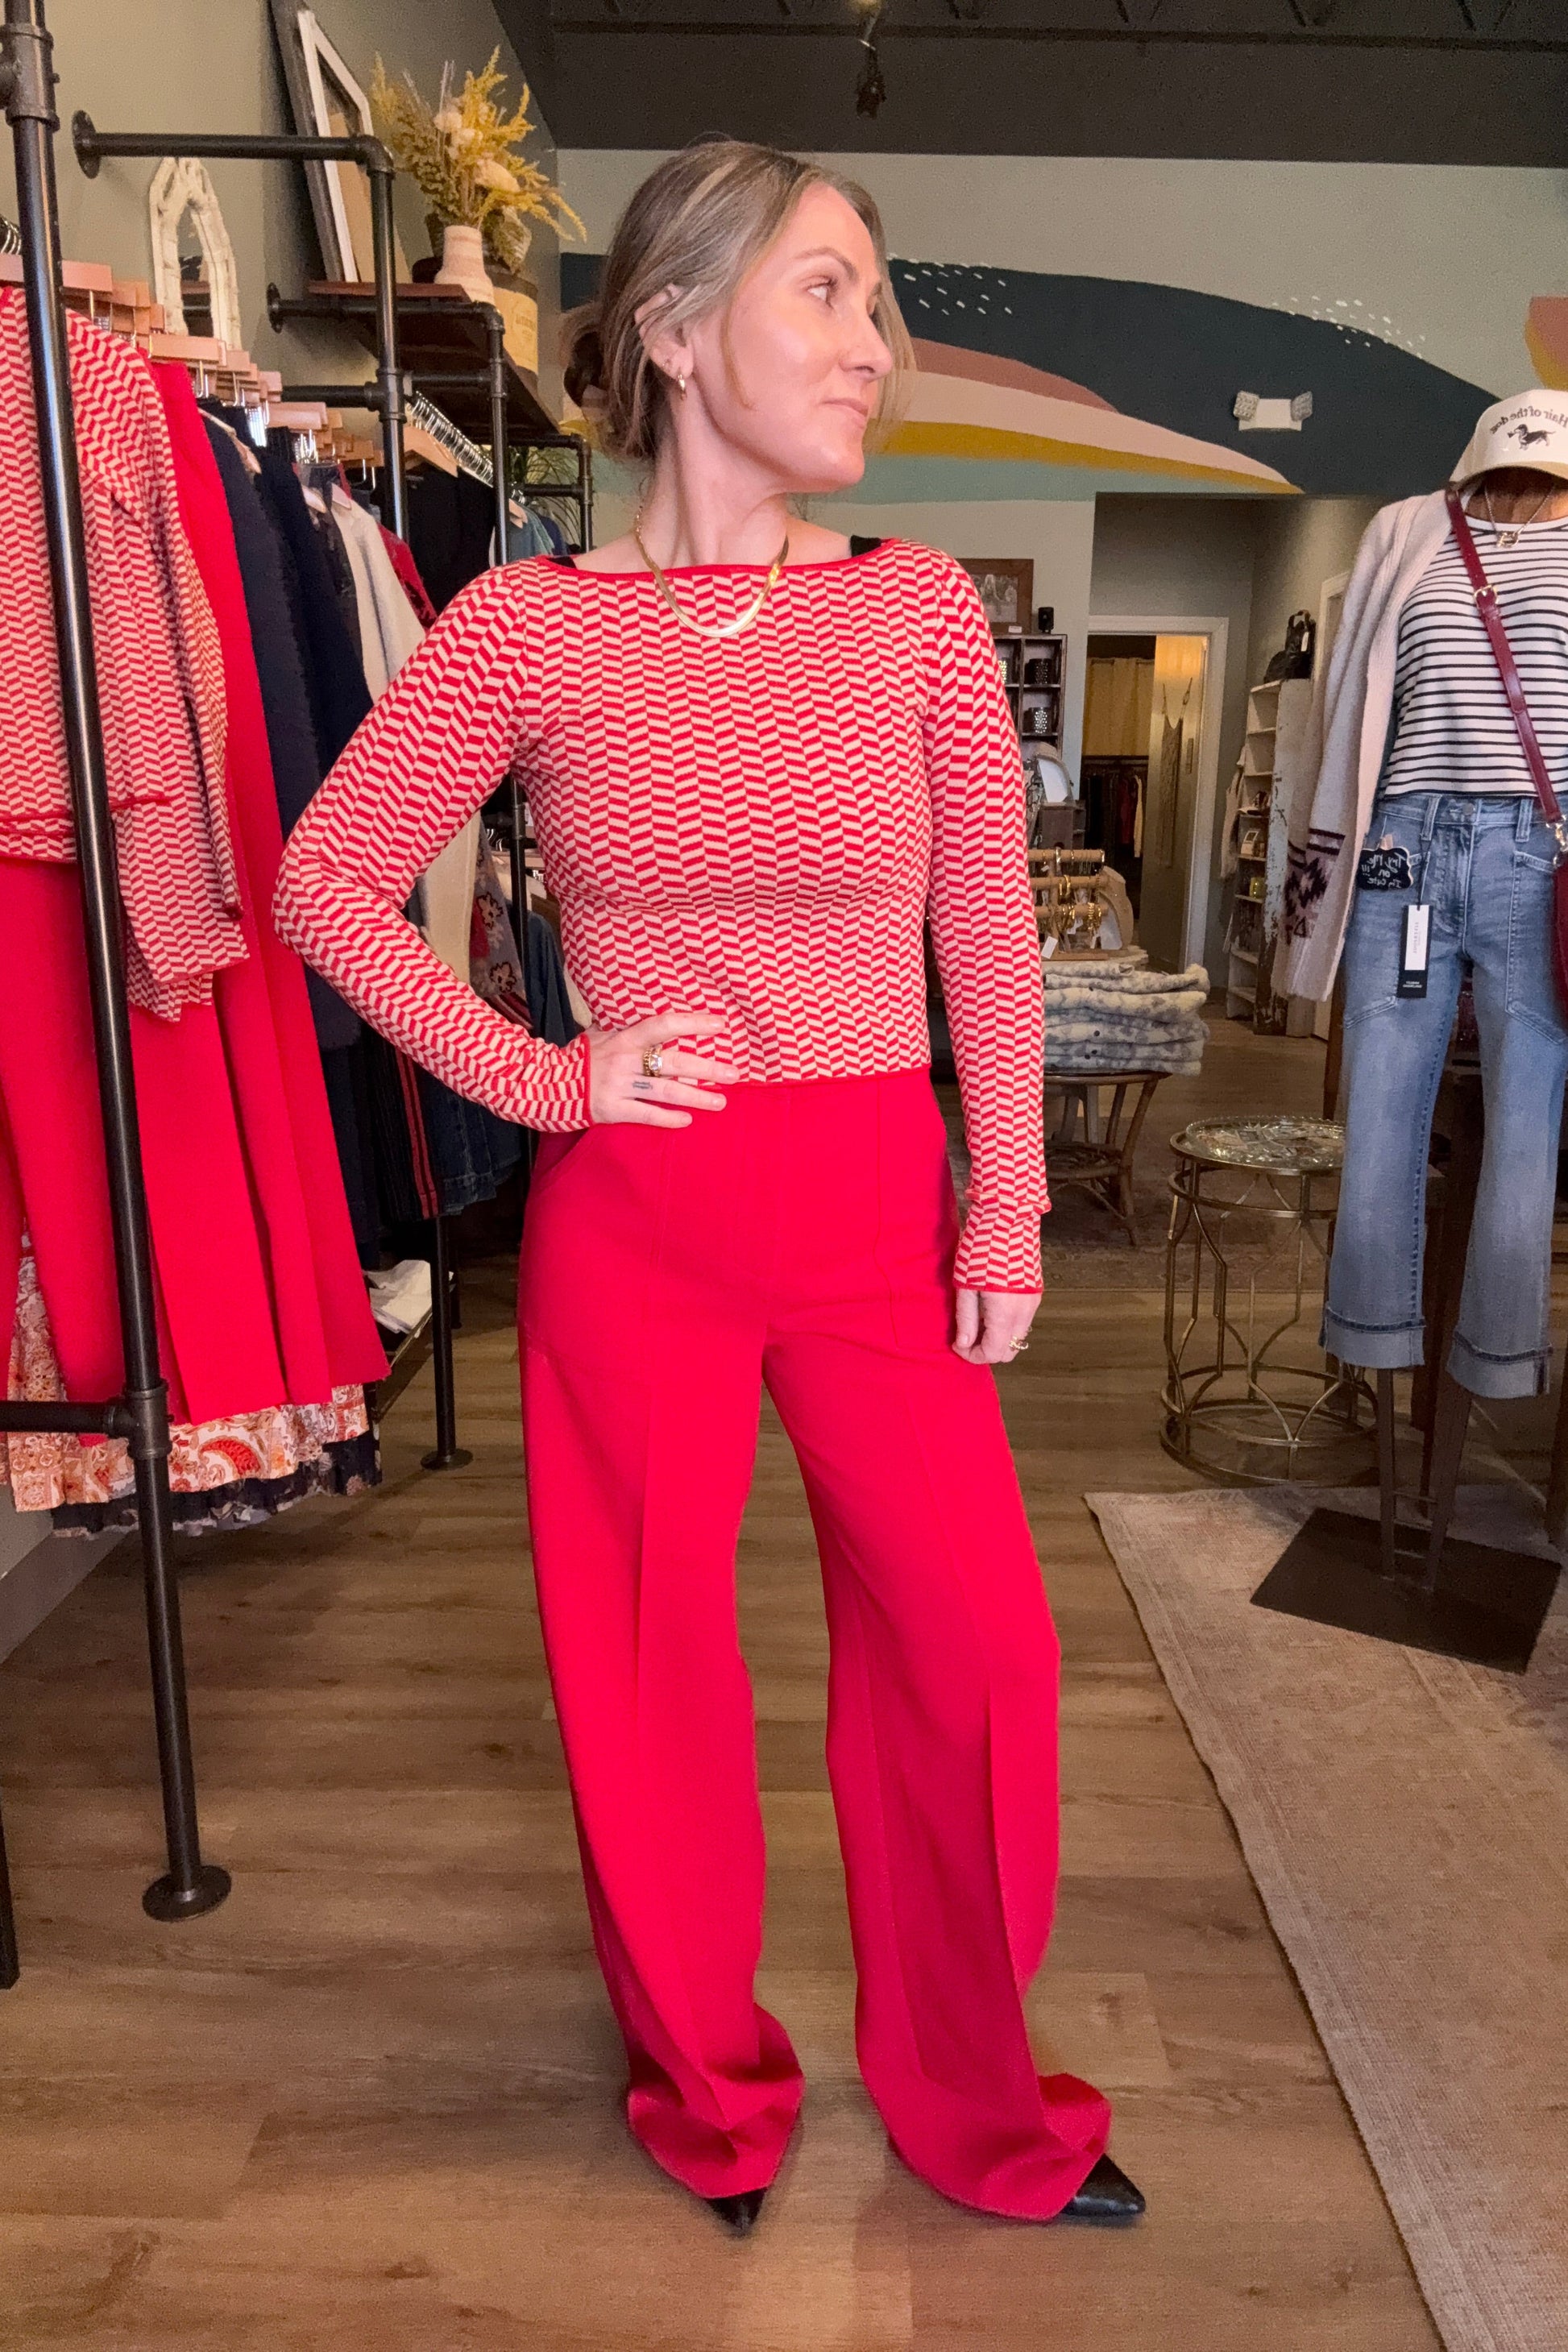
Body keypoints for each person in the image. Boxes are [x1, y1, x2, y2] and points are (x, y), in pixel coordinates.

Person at [275, 136, 1141, 2235]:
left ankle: (972, 2095)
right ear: (670, 330)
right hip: (638, 1213)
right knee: (644, 1669)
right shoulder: (522, 625)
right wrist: (537, 1073)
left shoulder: (914, 610)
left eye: (876, 300)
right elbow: (318, 876)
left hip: (874, 1200)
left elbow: (984, 944)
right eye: (827, 294)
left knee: (977, 1656)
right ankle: (708, 2090)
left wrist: (1005, 1200)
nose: (879, 348)